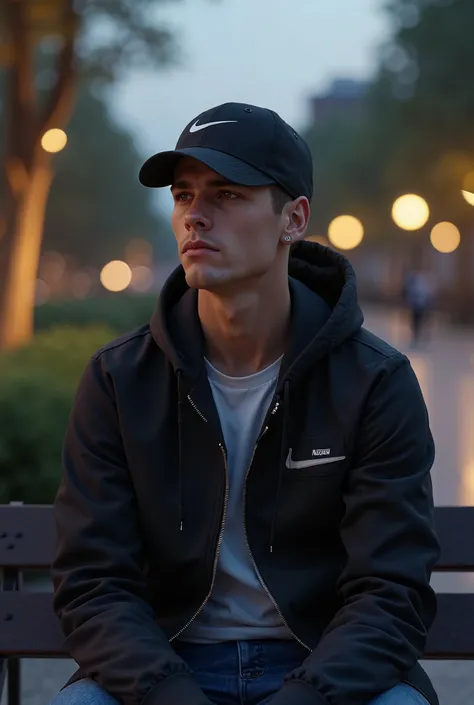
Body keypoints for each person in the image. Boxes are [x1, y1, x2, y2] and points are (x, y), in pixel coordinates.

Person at [50, 103, 440, 705]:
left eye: (227, 195)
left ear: (294, 219)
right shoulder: (118, 380)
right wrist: (168, 692)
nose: (196, 216)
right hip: (165, 665)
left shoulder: (375, 381)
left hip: (322, 666)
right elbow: (95, 583)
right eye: (183, 196)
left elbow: (390, 591)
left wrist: (307, 695)